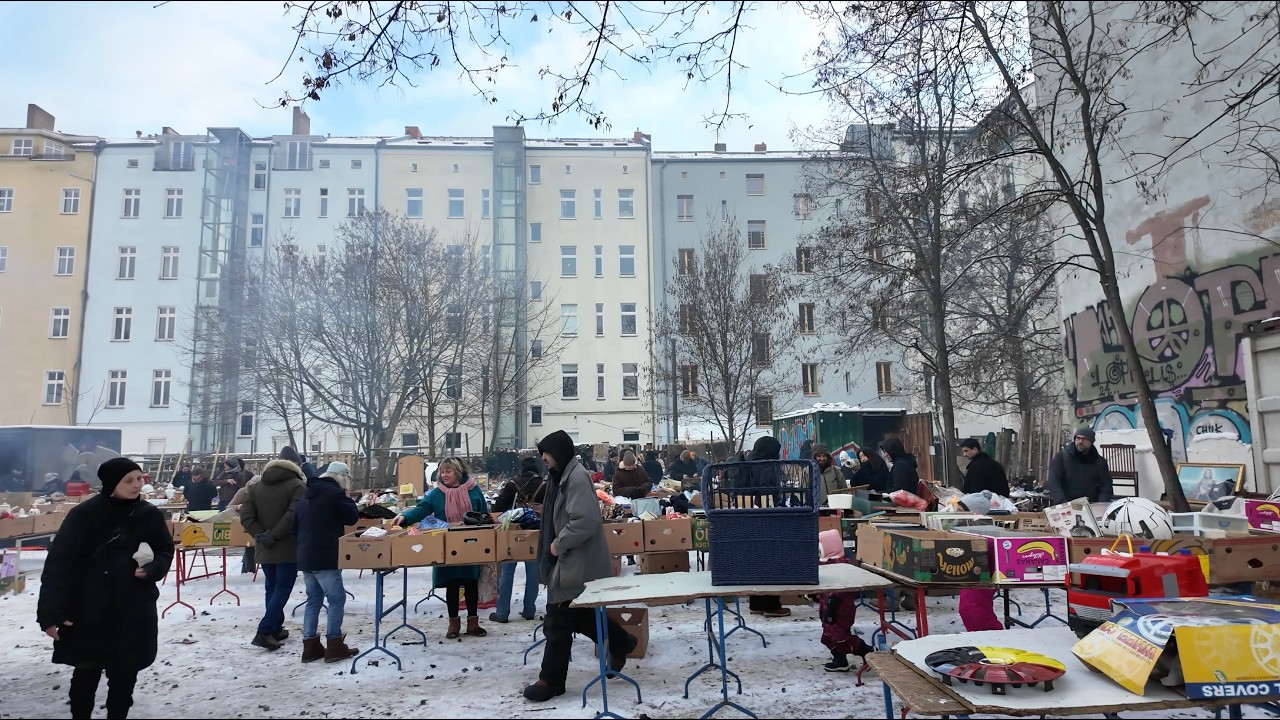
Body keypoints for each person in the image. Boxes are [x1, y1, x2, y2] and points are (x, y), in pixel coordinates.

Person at [37, 457, 174, 719]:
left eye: (139, 478)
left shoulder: (148, 514)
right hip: (89, 610)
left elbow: (165, 549)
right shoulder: (84, 515)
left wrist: (154, 568)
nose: (137, 485)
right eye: (129, 480)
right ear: (112, 484)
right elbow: (59, 566)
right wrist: (51, 614)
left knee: (124, 678)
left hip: (132, 609)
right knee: (86, 674)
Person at [524, 430, 637, 703]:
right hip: (570, 559)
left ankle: (550, 680)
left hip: (576, 559)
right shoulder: (562, 476)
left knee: (558, 618)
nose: (543, 458)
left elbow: (585, 520)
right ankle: (621, 641)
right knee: (575, 614)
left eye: (546, 453)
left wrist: (557, 544)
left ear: (558, 453)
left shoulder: (575, 478)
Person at [392, 457, 490, 639]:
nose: (444, 475)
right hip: (446, 543)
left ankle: (473, 623)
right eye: (442, 472)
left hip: (470, 542)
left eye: (448, 471)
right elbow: (421, 509)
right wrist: (405, 517)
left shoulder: (473, 490)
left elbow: (484, 514)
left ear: (458, 472)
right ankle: (453, 623)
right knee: (451, 584)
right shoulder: (437, 494)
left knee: (470, 583)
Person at [293, 461, 360, 663]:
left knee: (313, 601)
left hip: (305, 556)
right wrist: (348, 499)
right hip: (326, 555)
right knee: (336, 599)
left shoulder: (305, 496)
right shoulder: (334, 494)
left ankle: (310, 646)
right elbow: (352, 517)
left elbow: (292, 527)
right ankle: (334, 645)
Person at [239, 457, 306, 650]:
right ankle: (265, 630)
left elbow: (246, 516)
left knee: (272, 587)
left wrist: (261, 535)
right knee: (283, 588)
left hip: (264, 548)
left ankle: (276, 627)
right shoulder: (297, 486)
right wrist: (274, 535)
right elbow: (293, 515)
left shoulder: (255, 487)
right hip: (287, 547)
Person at [489, 457, 547, 624]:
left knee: (507, 572)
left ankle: (502, 613)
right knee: (533, 572)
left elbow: (499, 507)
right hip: (535, 530)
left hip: (513, 530)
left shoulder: (512, 484)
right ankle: (529, 610)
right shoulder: (544, 485)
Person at [744, 435, 790, 618]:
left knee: (756, 561)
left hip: (748, 517)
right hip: (767, 517)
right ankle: (771, 605)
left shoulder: (747, 464)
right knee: (772, 561)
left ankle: (756, 602)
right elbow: (767, 490)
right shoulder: (767, 466)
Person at [816, 529, 873, 671]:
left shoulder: (843, 567)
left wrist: (831, 606)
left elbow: (843, 592)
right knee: (828, 636)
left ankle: (867, 652)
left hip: (839, 611)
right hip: (828, 609)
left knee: (841, 638)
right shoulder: (825, 564)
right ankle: (840, 660)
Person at [954, 491, 1005, 632]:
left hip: (980, 578)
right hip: (972, 576)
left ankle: (994, 635)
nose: (956, 514)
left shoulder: (984, 537)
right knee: (967, 609)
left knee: (974, 609)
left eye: (960, 511)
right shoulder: (969, 531)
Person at [1047, 428, 1113, 504]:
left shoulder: (1100, 462)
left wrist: (1101, 505)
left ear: (1091, 441)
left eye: (1084, 439)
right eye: (1078, 438)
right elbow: (1054, 483)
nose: (1080, 442)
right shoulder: (1061, 458)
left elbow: (1106, 487)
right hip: (1066, 505)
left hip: (1091, 506)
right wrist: (1063, 503)